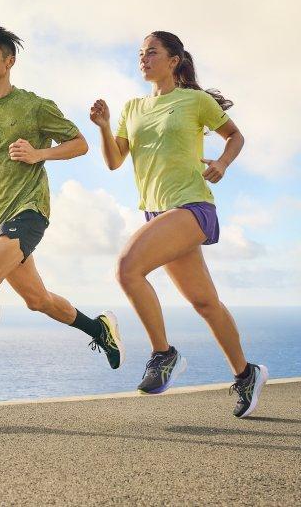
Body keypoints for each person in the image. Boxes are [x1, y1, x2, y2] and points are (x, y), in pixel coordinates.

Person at [0, 24, 124, 411]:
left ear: (9, 61)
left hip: (29, 211)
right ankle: (99, 329)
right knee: (38, 300)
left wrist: (38, 154)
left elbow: (79, 143)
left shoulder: (34, 105)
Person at [89, 31, 267, 418]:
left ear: (174, 60)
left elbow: (235, 136)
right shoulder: (133, 107)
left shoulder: (195, 101)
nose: (143, 58)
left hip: (192, 206)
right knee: (205, 302)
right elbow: (115, 160)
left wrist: (221, 162)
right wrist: (104, 126)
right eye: (140, 53)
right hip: (158, 214)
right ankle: (246, 373)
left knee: (127, 269)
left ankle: (164, 355)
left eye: (151, 52)